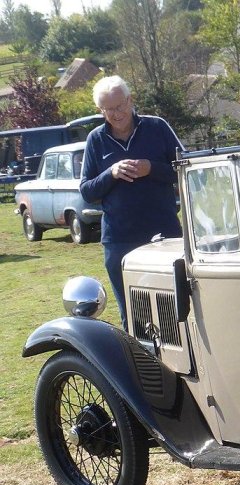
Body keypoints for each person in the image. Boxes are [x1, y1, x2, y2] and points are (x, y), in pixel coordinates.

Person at [80, 75, 183, 329]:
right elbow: (87, 191)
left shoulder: (157, 127)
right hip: (119, 241)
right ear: (100, 110)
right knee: (133, 315)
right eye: (109, 109)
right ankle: (139, 367)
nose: (116, 114)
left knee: (175, 309)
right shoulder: (95, 139)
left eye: (120, 106)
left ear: (130, 100)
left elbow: (186, 168)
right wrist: (111, 174)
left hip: (165, 236)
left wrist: (152, 168)